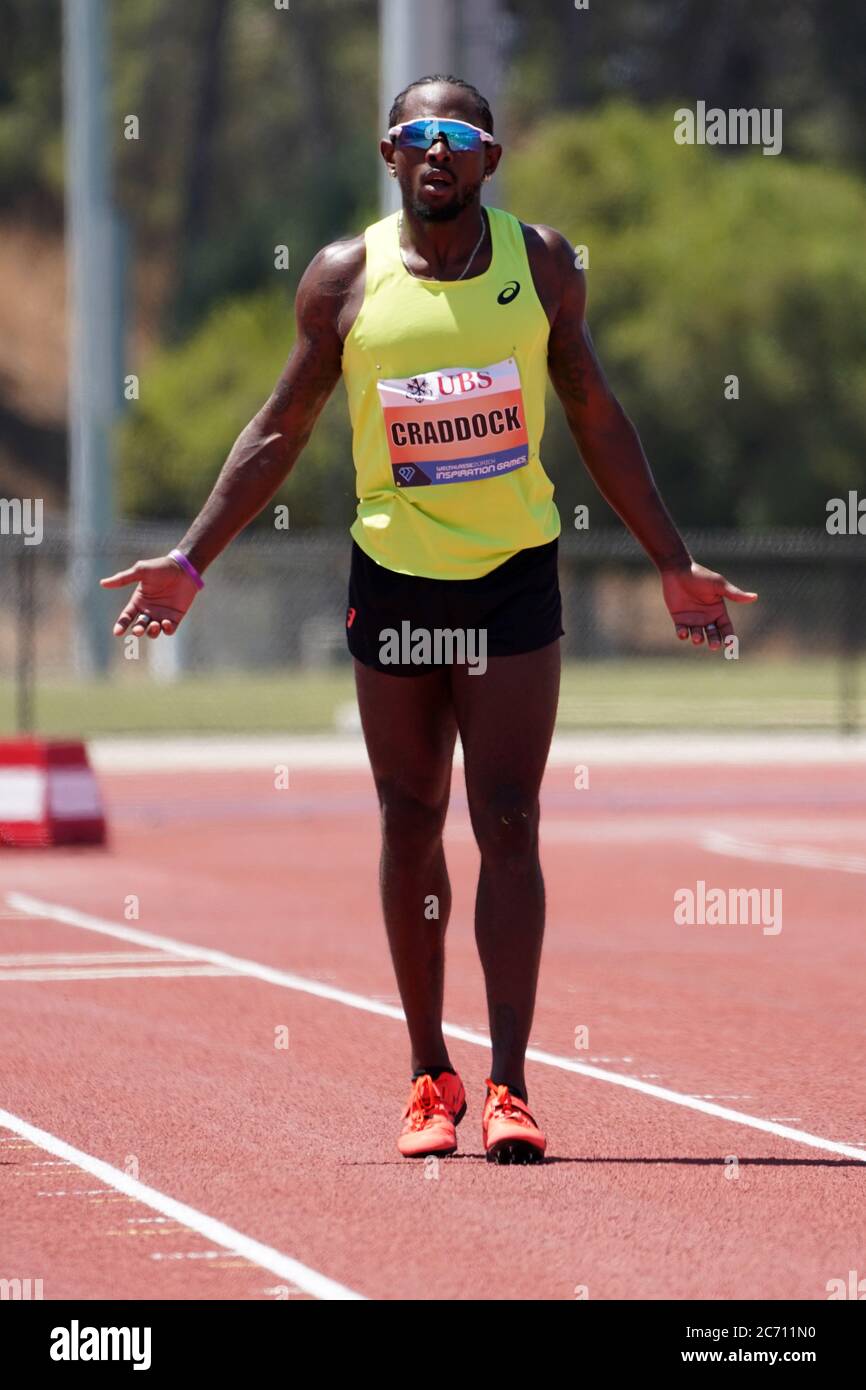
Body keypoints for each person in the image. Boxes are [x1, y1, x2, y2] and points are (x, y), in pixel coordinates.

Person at [102, 74, 757, 1165]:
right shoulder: (341, 280)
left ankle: (507, 1082)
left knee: (508, 818)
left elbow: (593, 410)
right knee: (410, 819)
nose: (434, 151)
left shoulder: (539, 263)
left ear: (489, 156)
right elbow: (278, 430)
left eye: (455, 134)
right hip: (395, 581)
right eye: (414, 136)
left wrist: (671, 560)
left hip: (510, 577)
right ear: (389, 155)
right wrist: (187, 562)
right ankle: (426, 1073)